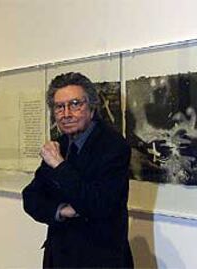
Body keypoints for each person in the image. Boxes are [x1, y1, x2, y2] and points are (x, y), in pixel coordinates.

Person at [22, 72, 133, 268]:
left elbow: (97, 204)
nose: (66, 114)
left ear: (91, 108)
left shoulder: (113, 146)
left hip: (99, 260)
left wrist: (59, 165)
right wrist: (62, 210)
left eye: (75, 104)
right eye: (59, 107)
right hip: (59, 257)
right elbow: (31, 198)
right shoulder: (60, 144)